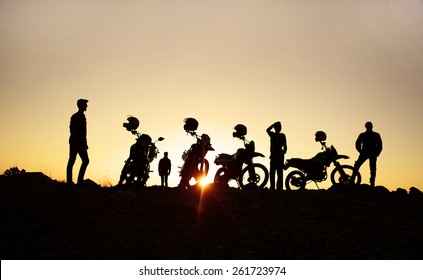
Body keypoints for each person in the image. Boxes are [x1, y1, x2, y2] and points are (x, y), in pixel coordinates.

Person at [66, 99, 89, 185]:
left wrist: (85, 143)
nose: (86, 106)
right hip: (75, 142)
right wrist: (75, 143)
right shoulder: (75, 116)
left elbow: (84, 132)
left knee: (85, 160)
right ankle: (70, 181)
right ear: (80, 105)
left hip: (81, 143)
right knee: (72, 160)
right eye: (85, 104)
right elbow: (72, 130)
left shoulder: (83, 116)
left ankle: (79, 180)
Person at [353, 121, 383, 187]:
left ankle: (372, 182)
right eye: (368, 125)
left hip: (372, 153)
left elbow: (380, 145)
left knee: (372, 169)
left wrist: (377, 153)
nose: (370, 127)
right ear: (366, 127)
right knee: (357, 165)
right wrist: (360, 151)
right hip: (365, 152)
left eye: (370, 125)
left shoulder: (376, 135)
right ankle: (352, 179)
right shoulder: (362, 135)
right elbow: (357, 144)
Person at [266, 121, 288, 190]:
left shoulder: (282, 135)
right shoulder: (272, 134)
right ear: (276, 128)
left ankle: (279, 188)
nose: (280, 128)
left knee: (279, 173)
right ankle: (273, 187)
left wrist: (283, 153)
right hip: (274, 156)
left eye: (280, 127)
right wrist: (273, 124)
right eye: (279, 127)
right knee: (273, 173)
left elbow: (285, 146)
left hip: (279, 156)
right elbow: (267, 130)